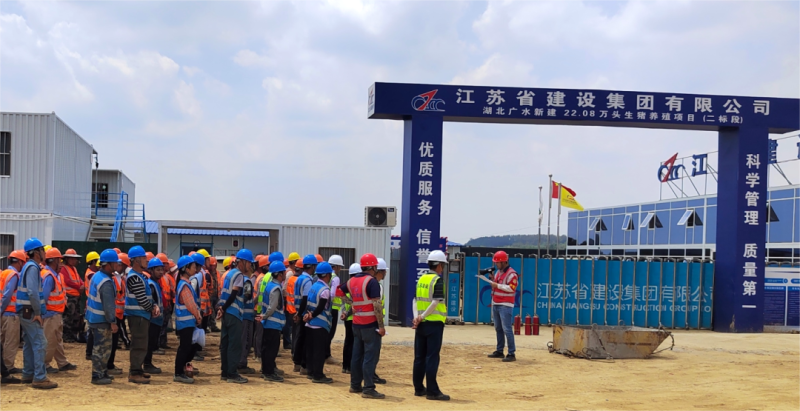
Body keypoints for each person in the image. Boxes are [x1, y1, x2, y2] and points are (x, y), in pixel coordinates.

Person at [339, 253, 385, 399]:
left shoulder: (352, 281)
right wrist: (381, 326)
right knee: (370, 357)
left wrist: (352, 303)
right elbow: (377, 305)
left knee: (357, 356)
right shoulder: (372, 282)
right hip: (370, 324)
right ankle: (368, 388)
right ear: (373, 267)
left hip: (356, 323)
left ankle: (355, 385)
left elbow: (339, 291)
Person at [16, 238, 58, 389]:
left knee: (29, 342)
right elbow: (33, 292)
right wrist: (38, 313)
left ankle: (28, 373)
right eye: (42, 250)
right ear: (36, 253)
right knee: (40, 342)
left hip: (25, 311)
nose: (44, 253)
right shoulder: (33, 268)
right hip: (31, 311)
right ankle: (39, 377)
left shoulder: (29, 267)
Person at [412, 250, 450, 401]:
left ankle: (418, 388)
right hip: (434, 324)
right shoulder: (437, 280)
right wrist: (422, 317)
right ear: (439, 265)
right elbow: (435, 302)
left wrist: (416, 317)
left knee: (419, 357)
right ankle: (432, 391)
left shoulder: (421, 279)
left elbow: (415, 300)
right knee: (432, 357)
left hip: (421, 324)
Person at [217, 248, 254, 384]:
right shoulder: (239, 275)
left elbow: (224, 293)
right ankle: (232, 373)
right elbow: (233, 294)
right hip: (234, 313)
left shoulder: (229, 274)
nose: (250, 266)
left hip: (226, 313)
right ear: (242, 262)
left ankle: (225, 372)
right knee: (234, 344)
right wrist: (224, 308)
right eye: (249, 263)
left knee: (226, 343)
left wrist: (221, 308)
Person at [125, 245, 160, 384]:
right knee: (139, 344)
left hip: (141, 315)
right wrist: (152, 308)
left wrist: (153, 306)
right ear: (136, 260)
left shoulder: (140, 276)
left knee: (142, 343)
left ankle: (138, 369)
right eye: (144, 258)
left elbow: (147, 297)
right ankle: (134, 372)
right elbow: (142, 299)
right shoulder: (135, 277)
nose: (146, 260)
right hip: (138, 315)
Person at [85, 249, 121, 385]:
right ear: (109, 264)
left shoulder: (97, 276)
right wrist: (112, 321)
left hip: (94, 318)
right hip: (101, 320)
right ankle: (97, 375)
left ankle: (102, 372)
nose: (117, 265)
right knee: (102, 349)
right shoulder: (106, 282)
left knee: (100, 348)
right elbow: (108, 305)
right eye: (115, 263)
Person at [40, 247, 76, 373]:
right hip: (50, 314)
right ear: (53, 261)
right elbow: (44, 297)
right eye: (59, 260)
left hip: (56, 313)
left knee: (57, 339)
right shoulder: (49, 276)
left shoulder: (55, 275)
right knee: (50, 340)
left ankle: (62, 362)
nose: (61, 263)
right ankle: (44, 364)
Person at [303, 261, 334, 384]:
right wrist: (312, 314)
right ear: (327, 275)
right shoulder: (325, 290)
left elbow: (308, 302)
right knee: (319, 351)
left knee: (310, 350)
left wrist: (308, 315)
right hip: (320, 324)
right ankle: (318, 375)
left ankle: (311, 372)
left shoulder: (313, 286)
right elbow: (321, 307)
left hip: (309, 324)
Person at [174, 256, 203, 384]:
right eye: (193, 266)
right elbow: (190, 305)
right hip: (186, 322)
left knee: (186, 347)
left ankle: (181, 371)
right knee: (184, 348)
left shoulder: (185, 284)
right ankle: (178, 373)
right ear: (186, 269)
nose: (195, 268)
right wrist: (198, 316)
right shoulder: (185, 285)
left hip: (186, 322)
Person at [257, 260, 287, 382]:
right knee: (271, 350)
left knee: (266, 348)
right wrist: (264, 316)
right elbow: (272, 307)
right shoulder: (276, 288)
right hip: (273, 323)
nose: (285, 274)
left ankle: (266, 371)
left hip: (268, 323)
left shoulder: (269, 285)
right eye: (284, 272)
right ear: (279, 274)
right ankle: (269, 372)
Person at [486, 251, 518, 362]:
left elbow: (511, 288)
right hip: (496, 303)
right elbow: (496, 286)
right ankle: (499, 350)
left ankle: (511, 353)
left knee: (507, 329)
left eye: (497, 262)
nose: (496, 264)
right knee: (498, 328)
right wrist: (492, 280)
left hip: (505, 305)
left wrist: (497, 285)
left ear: (503, 262)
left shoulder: (512, 274)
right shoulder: (498, 273)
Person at [0, 249, 27, 376]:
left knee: (2, 341)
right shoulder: (14, 275)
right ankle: (8, 367)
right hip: (10, 313)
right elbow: (7, 295)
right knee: (11, 342)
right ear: (20, 262)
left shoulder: (4, 273)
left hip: (4, 313)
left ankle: (3, 366)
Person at [291, 254, 317, 374]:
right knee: (305, 340)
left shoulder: (299, 278)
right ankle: (304, 365)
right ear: (312, 267)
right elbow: (305, 299)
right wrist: (301, 314)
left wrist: (298, 313)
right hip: (304, 313)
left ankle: (297, 363)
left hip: (298, 310)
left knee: (299, 338)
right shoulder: (308, 280)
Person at [143, 258, 166, 375]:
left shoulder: (156, 284)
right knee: (150, 343)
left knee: (152, 343)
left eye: (162, 269)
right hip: (153, 320)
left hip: (157, 319)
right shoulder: (151, 284)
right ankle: (147, 364)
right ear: (151, 271)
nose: (161, 272)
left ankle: (148, 363)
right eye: (158, 270)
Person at [337, 263, 360, 374]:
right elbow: (356, 303)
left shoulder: (347, 284)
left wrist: (345, 312)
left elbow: (339, 293)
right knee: (354, 343)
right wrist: (349, 309)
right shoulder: (356, 285)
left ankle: (345, 366)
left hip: (348, 318)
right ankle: (350, 366)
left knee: (348, 342)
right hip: (354, 317)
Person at [59, 249, 83, 343]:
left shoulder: (74, 269)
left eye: (74, 259)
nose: (74, 260)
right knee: (68, 316)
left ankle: (72, 335)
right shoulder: (64, 268)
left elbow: (79, 279)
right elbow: (68, 281)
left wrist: (82, 285)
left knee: (75, 316)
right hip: (70, 296)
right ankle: (66, 336)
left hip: (76, 296)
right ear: (67, 259)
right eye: (71, 259)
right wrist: (79, 286)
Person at [237, 262, 257, 375]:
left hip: (240, 315)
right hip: (246, 316)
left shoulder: (237, 278)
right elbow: (246, 297)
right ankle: (241, 364)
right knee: (246, 340)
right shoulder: (246, 281)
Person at [325, 254, 344, 364]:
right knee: (330, 332)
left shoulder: (325, 275)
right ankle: (326, 355)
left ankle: (325, 354)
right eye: (340, 266)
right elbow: (332, 294)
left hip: (325, 308)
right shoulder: (335, 278)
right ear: (336, 266)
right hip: (332, 308)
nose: (340, 269)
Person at [191, 252, 211, 336]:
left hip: (199, 305)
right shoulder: (198, 274)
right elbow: (193, 290)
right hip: (198, 306)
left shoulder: (199, 273)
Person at [206, 256, 221, 333]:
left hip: (216, 295)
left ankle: (212, 325)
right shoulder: (207, 274)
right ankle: (211, 325)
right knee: (210, 311)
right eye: (212, 265)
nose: (213, 267)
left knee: (215, 310)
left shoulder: (218, 273)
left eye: (215, 265)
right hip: (210, 296)